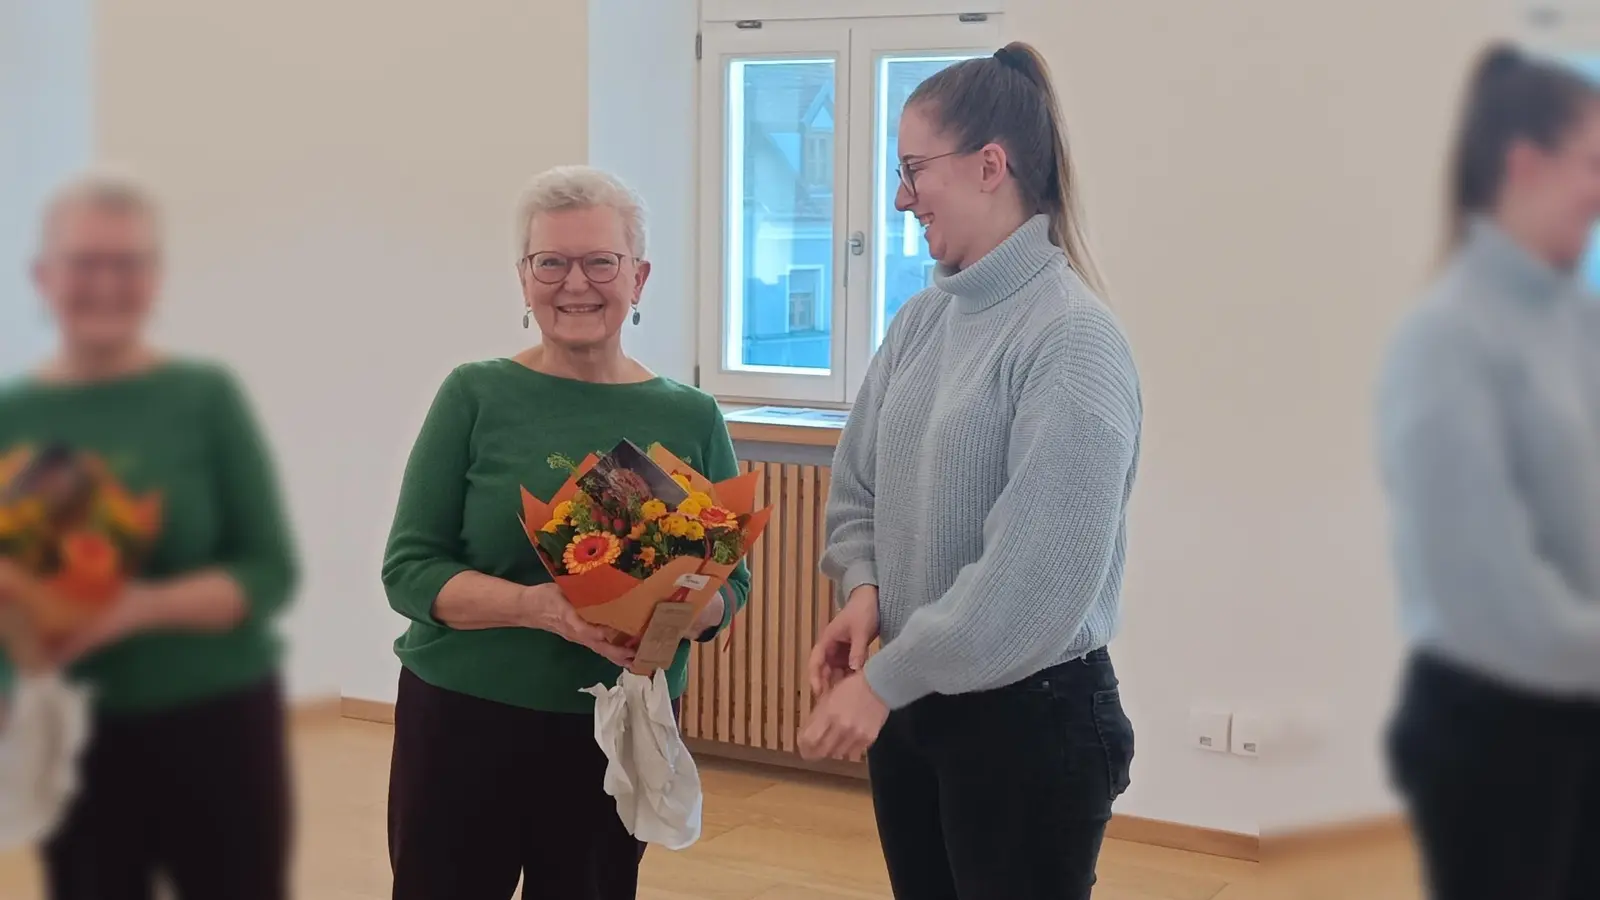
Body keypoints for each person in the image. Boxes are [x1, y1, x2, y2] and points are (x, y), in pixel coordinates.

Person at [800, 42, 1141, 900]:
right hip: (922, 709)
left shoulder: (1071, 338)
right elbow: (858, 488)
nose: (900, 196)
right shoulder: (921, 321)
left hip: (1034, 724)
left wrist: (883, 678)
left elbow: (1032, 581)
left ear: (991, 166)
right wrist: (866, 589)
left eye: (915, 169)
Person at [381, 164, 750, 900]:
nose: (574, 283)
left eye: (599, 262)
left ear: (638, 277)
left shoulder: (691, 417)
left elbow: (731, 583)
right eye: (550, 262)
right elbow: (410, 570)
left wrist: (681, 608)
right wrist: (540, 609)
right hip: (463, 720)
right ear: (524, 279)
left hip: (613, 731)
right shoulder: (474, 395)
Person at [0, 171, 300, 898]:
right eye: (85, 262)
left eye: (127, 263)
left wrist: (133, 610)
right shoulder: (14, 415)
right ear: (44, 276)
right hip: (75, 737)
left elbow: (269, 570)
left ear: (154, 279)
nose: (106, 283)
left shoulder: (205, 398)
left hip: (219, 725)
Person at [1378, 43, 1600, 900]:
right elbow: (1493, 593)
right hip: (1494, 733)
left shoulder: (1577, 323)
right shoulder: (1447, 339)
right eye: (1592, 164)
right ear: (1523, 165)